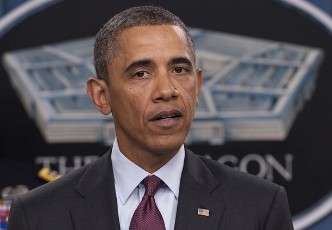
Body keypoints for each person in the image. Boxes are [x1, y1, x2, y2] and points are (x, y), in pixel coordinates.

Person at [7, 6, 294, 230]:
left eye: (179, 70)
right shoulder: (38, 215)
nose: (167, 91)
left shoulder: (259, 206)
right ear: (101, 96)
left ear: (198, 87)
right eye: (140, 73)